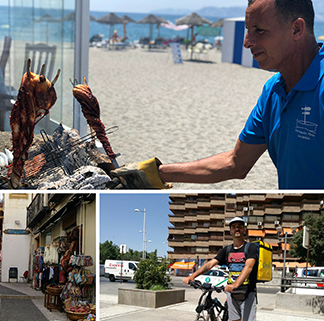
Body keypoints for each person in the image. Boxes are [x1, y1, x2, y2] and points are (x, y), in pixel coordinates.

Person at [112, 0, 324, 189]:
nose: (247, 42)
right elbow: (235, 163)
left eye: (259, 30)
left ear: (296, 29)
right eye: (248, 30)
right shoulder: (273, 91)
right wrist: (154, 174)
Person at [183, 217, 258, 321]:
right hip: (232, 294)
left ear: (244, 230)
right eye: (234, 227)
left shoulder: (250, 248)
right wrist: (192, 276)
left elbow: (249, 266)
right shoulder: (227, 250)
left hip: (247, 292)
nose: (236, 229)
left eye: (239, 226)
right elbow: (210, 264)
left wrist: (236, 284)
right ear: (230, 231)